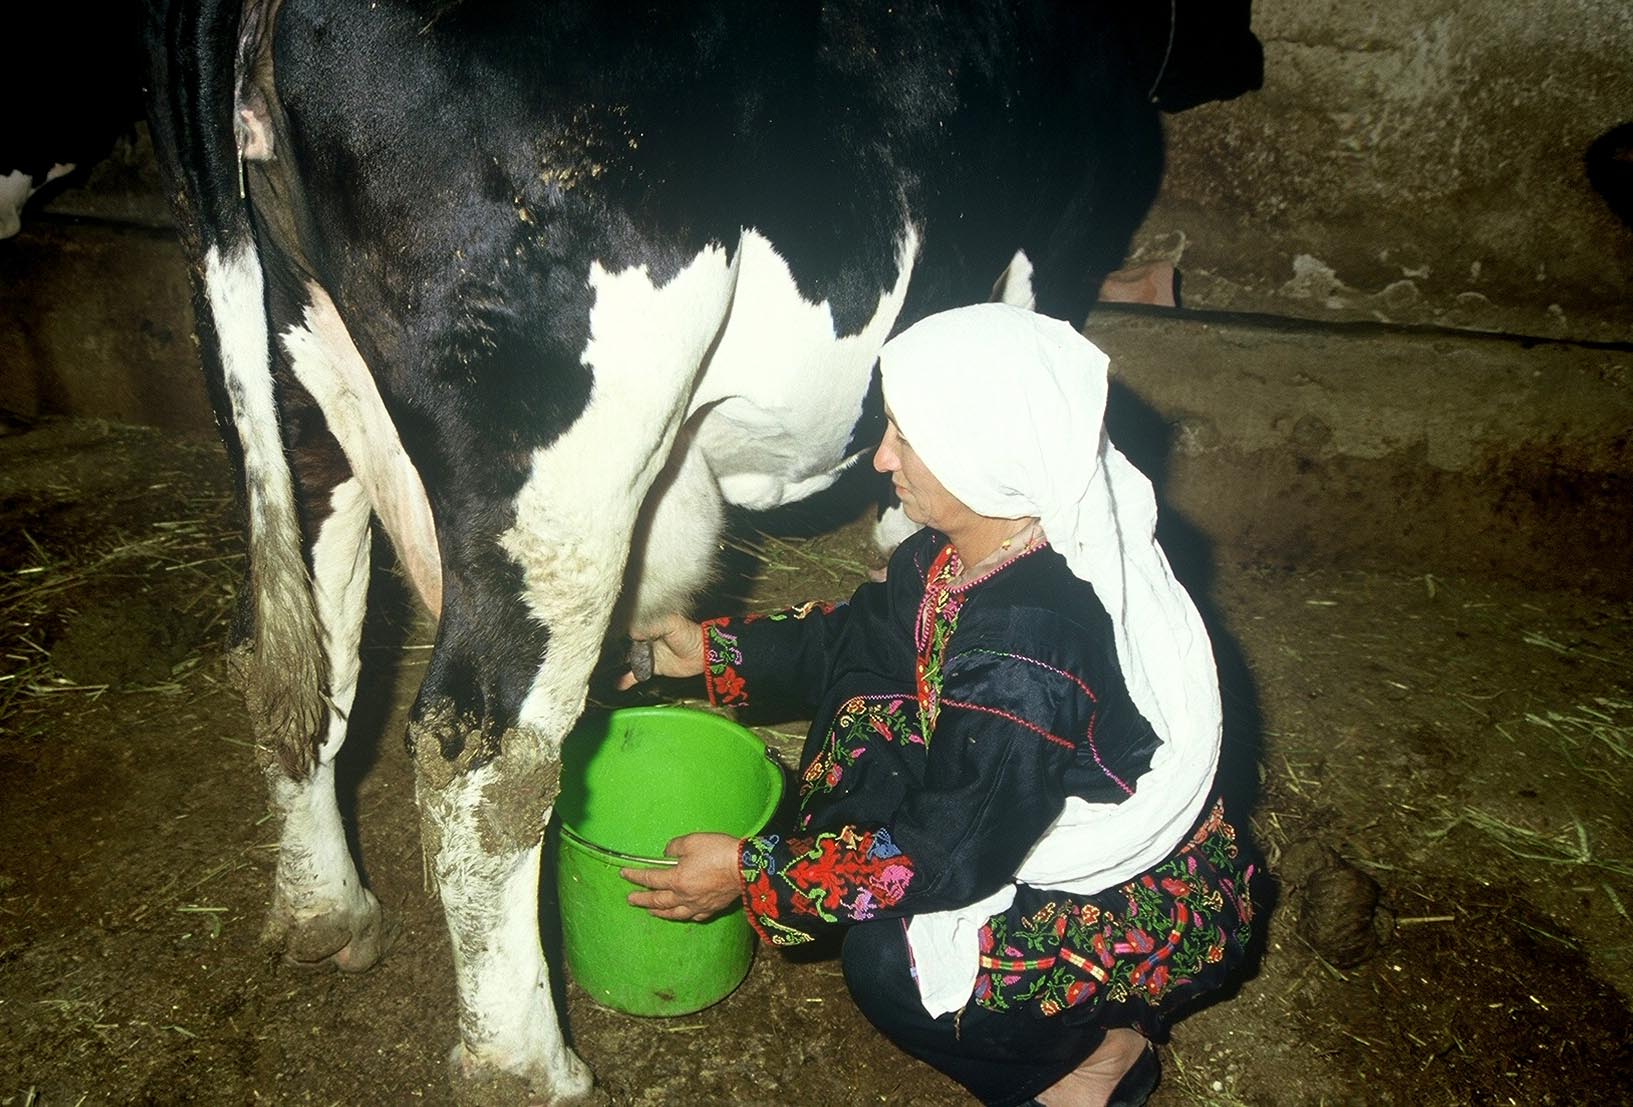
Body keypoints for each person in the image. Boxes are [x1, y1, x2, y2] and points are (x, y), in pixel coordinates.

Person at [620, 303, 1256, 1107]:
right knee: (865, 704)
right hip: (1005, 797)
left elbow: (945, 859)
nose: (882, 457)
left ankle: (1093, 1053)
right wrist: (707, 652)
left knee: (892, 963)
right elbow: (861, 635)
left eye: (907, 437)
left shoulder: (1024, 650)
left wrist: (754, 871)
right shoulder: (967, 550)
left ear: (983, 454)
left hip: (1130, 895)